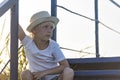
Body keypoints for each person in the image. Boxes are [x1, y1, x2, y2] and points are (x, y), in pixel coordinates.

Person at [18, 11, 74, 80]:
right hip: (36, 77)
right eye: (45, 27)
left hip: (54, 77)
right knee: (25, 73)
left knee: (69, 71)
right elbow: (16, 26)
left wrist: (44, 72)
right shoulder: (28, 42)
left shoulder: (53, 45)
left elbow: (65, 65)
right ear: (34, 30)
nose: (49, 31)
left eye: (51, 28)